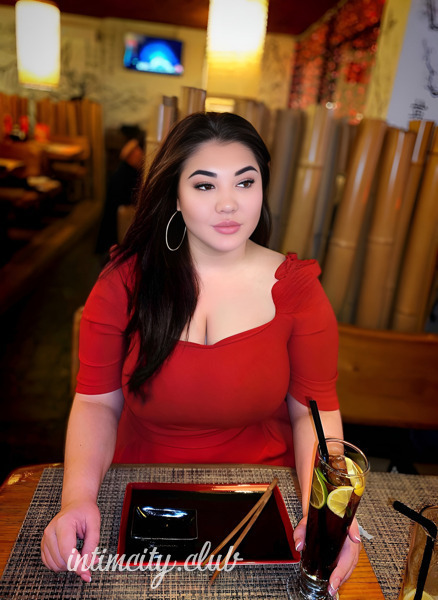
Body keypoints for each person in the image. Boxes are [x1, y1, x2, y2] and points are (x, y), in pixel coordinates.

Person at [41, 112, 360, 594]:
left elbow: (313, 413)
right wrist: (77, 499)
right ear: (175, 195)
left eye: (245, 182)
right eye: (205, 185)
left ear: (262, 188)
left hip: (261, 493)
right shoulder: (123, 282)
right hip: (138, 485)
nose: (228, 203)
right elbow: (95, 402)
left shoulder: (297, 290)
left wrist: (325, 511)